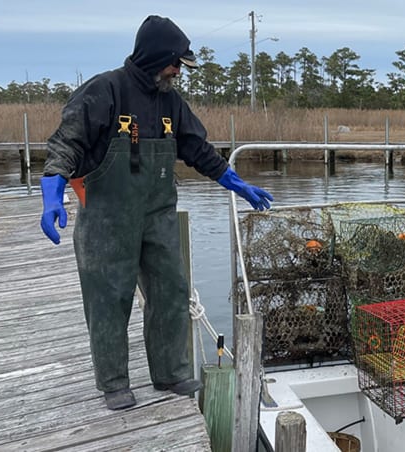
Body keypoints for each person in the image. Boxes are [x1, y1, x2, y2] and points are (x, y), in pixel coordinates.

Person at [39, 15, 273, 410]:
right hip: (107, 218)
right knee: (109, 297)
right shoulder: (105, 90)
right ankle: (113, 383)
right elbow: (66, 144)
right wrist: (52, 193)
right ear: (156, 56)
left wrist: (236, 183)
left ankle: (170, 373)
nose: (178, 71)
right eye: (175, 63)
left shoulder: (171, 103)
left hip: (158, 214)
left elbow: (197, 148)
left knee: (171, 289)